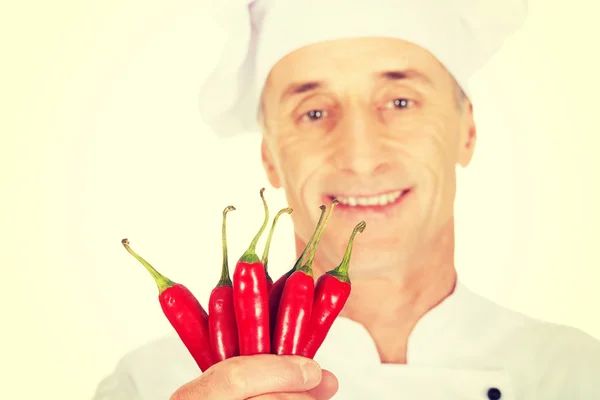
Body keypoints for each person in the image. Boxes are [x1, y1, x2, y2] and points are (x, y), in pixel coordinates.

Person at [92, 1, 600, 399]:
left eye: (400, 102)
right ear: (270, 158)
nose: (360, 157)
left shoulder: (577, 376)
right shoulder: (151, 387)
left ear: (467, 131)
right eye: (313, 112)